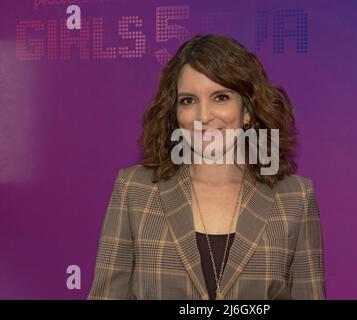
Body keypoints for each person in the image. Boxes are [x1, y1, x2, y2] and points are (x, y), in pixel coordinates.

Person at [88, 34, 326, 300]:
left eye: (220, 97)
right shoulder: (134, 189)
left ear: (247, 110)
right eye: (188, 100)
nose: (203, 116)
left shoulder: (296, 197)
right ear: (175, 113)